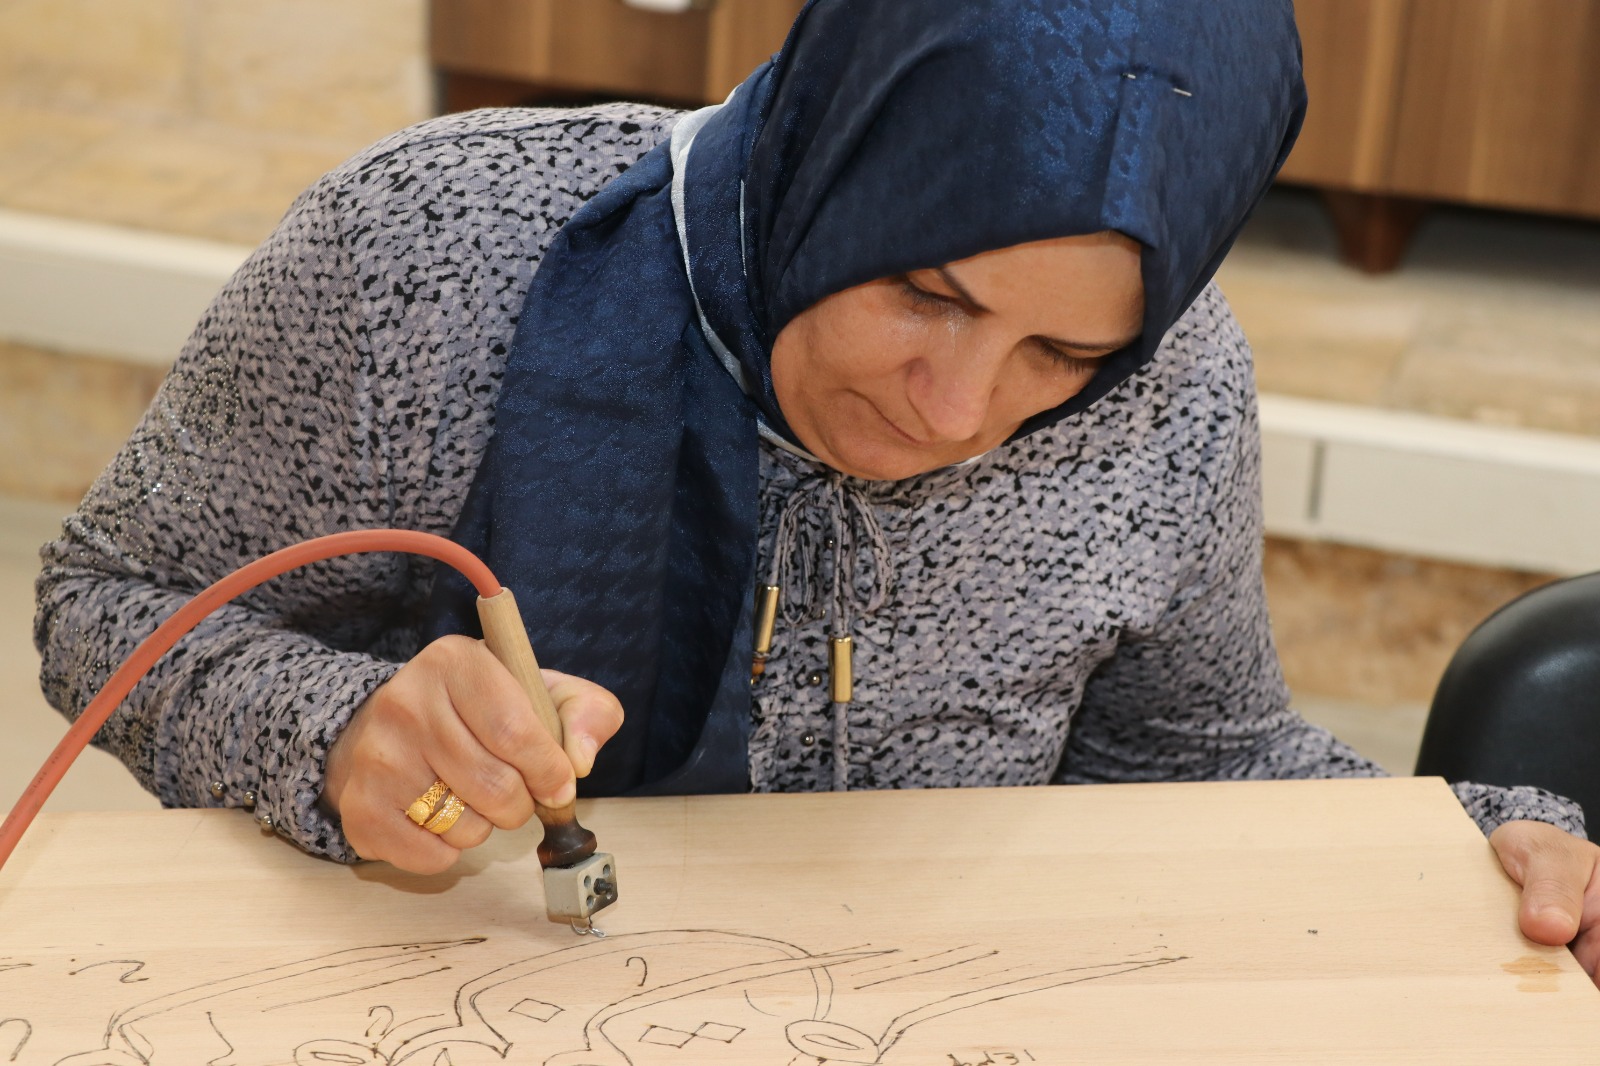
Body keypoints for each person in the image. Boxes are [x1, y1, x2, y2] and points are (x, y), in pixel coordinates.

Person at [34, 0, 1598, 980]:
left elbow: (1196, 757)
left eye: (1061, 354)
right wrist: (332, 734)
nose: (959, 409)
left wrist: (1484, 835)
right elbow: (104, 603)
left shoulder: (1177, 389)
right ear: (830, 153)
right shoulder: (423, 254)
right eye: (922, 289)